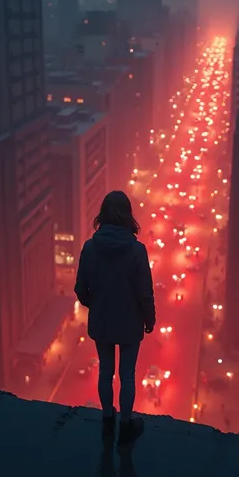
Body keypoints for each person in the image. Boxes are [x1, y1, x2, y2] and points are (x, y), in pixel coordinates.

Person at [75, 190, 156, 445]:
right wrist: (149, 319)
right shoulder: (137, 251)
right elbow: (145, 293)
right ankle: (126, 423)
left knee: (105, 371)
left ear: (103, 215)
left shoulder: (90, 247)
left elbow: (80, 288)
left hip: (102, 321)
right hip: (130, 323)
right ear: (128, 216)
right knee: (127, 375)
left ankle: (107, 417)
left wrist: (95, 304)